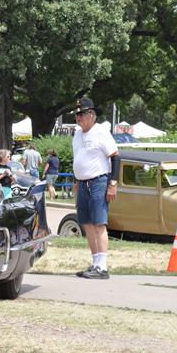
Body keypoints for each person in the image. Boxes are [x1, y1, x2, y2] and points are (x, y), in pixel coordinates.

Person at [72, 98, 119, 280]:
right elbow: (79, 158)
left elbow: (115, 157)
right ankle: (95, 263)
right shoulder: (77, 135)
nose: (79, 117)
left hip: (98, 181)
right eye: (77, 114)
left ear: (92, 115)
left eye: (82, 114)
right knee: (87, 224)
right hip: (82, 183)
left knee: (99, 224)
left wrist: (113, 184)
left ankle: (102, 266)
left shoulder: (101, 132)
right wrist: (76, 180)